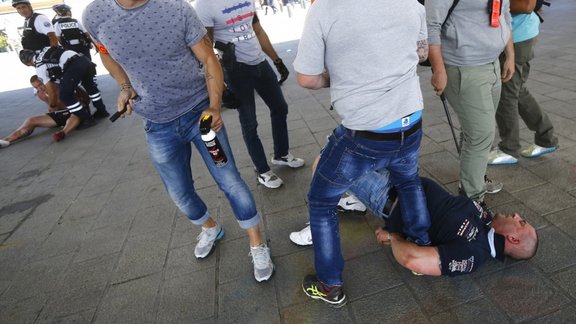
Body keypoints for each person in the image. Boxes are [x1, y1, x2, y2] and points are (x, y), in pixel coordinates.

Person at [83, 0, 274, 282]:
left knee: (229, 179)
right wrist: (125, 86)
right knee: (180, 194)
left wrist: (214, 106)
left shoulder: (176, 9)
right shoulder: (95, 15)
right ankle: (210, 227)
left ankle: (257, 243)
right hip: (157, 124)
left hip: (201, 118)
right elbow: (105, 53)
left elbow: (209, 59)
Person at [293, 0, 431, 307]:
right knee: (409, 181)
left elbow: (307, 77)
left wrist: (337, 76)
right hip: (411, 120)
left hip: (366, 133)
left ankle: (330, 285)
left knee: (321, 200)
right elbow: (422, 54)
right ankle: (421, 243)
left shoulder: (324, 9)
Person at [289, 170, 539, 277]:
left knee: (327, 162)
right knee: (350, 145)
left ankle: (319, 226)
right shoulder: (487, 223)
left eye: (521, 222)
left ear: (513, 240)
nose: (517, 214)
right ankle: (351, 200)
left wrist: (394, 237)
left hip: (387, 197)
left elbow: (415, 260)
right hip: (402, 178)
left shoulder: (473, 255)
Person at [194, 1, 304, 189]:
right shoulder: (205, 5)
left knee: (280, 108)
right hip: (235, 69)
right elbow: (206, 52)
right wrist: (222, 84)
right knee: (249, 121)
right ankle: (262, 170)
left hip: (260, 63)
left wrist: (276, 60)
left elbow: (258, 30)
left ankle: (281, 154)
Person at [426, 0, 515, 203]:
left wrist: (510, 55)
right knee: (481, 134)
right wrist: (438, 69)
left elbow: (505, 14)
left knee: (476, 132)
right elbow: (431, 25)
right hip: (463, 67)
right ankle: (474, 200)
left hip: (492, 63)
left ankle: (472, 180)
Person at [488, 0, 559, 165]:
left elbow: (527, 5)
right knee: (517, 90)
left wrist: (485, 4)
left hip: (517, 36)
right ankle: (546, 137)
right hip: (512, 34)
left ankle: (509, 148)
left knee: (507, 92)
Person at [19, 47, 108, 141]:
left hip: (73, 66)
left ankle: (87, 119)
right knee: (90, 87)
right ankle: (102, 111)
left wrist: (52, 104)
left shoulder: (39, 66)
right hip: (83, 59)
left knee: (65, 95)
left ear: (28, 64)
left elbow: (51, 90)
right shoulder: (45, 49)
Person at [0, 75, 92, 148]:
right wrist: (51, 106)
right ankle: (6, 140)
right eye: (36, 87)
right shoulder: (41, 94)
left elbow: (86, 100)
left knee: (75, 114)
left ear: (45, 82)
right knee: (31, 120)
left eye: (40, 85)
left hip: (76, 111)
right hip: (61, 114)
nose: (39, 89)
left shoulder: (59, 86)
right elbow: (52, 109)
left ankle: (62, 133)